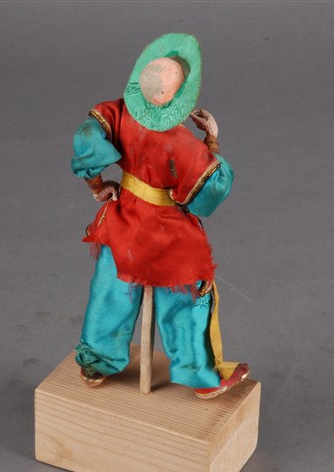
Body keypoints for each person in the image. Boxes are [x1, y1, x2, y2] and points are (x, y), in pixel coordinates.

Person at [71, 33, 249, 399]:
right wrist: (212, 140)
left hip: (123, 221)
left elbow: (87, 136)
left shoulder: (118, 112)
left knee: (110, 291)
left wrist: (97, 186)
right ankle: (201, 375)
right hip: (167, 236)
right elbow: (211, 188)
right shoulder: (183, 145)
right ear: (177, 97)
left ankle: (95, 363)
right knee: (189, 297)